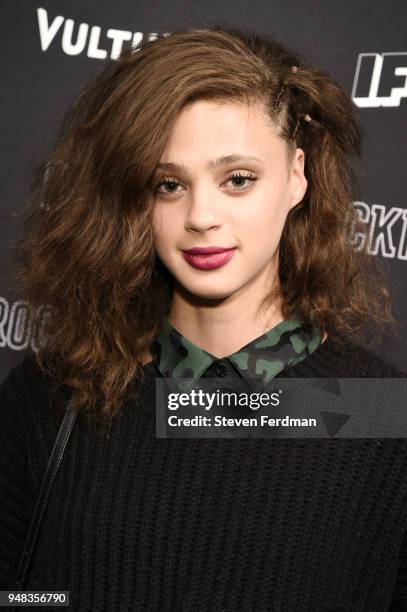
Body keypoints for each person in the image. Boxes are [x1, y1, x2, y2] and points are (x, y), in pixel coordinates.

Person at [1, 26, 407, 611]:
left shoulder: (381, 417)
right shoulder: (51, 399)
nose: (201, 216)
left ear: (297, 175)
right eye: (169, 185)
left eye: (237, 179)